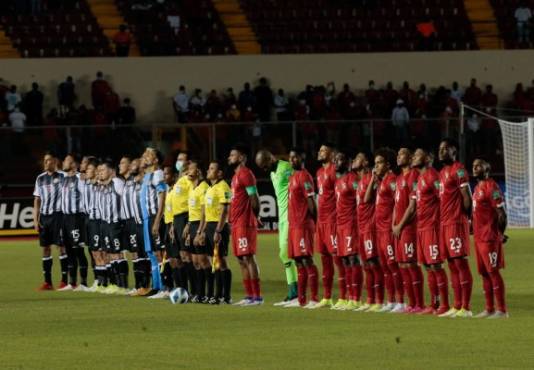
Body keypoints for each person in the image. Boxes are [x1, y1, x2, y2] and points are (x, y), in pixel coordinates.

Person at [255, 149, 298, 306]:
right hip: (281, 217)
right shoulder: (272, 173)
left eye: (265, 164)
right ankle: (293, 293)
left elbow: (298, 184)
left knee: (286, 253)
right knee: (285, 255)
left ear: (271, 157)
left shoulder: (286, 167)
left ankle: (297, 293)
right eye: (261, 167)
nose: (264, 168)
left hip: (290, 217)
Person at [437, 138, 473, 318]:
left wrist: (468, 219)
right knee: (451, 264)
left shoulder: (458, 169)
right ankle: (457, 305)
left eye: (446, 148)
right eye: (440, 149)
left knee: (460, 263)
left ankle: (465, 307)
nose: (442, 151)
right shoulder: (443, 172)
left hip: (456, 222)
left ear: (454, 151)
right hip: (445, 224)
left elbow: (467, 197)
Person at [412, 148, 450, 315]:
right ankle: (434, 303)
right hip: (421, 228)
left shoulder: (433, 176)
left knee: (436, 265)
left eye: (418, 154)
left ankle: (445, 305)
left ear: (427, 158)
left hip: (432, 228)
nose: (414, 157)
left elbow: (442, 198)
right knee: (428, 267)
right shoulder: (420, 178)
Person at [471, 158, 508, 319]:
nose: (475, 168)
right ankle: (489, 308)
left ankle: (502, 310)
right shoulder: (478, 187)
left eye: (478, 165)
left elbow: (501, 213)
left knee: (493, 272)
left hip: (489, 238)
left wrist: (500, 233)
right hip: (479, 238)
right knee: (484, 273)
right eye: (473, 166)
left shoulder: (491, 187)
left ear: (487, 168)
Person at [282, 148, 319, 308]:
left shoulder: (305, 176)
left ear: (301, 158)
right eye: (290, 158)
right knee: (297, 261)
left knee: (306, 259)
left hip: (303, 225)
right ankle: (301, 299)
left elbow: (311, 203)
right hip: (293, 225)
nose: (292, 160)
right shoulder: (292, 177)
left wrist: (314, 223)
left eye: (295, 157)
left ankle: (314, 298)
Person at [370, 148, 405, 313]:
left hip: (388, 231)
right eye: (375, 163)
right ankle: (390, 301)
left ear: (388, 164)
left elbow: (397, 204)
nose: (375, 166)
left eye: (379, 163)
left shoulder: (392, 180)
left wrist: (393, 224)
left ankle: (401, 302)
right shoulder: (382, 180)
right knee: (385, 267)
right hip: (379, 230)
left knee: (393, 266)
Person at [228, 144, 263, 305]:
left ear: (241, 157)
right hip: (236, 224)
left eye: (233, 154)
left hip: (244, 223)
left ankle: (257, 296)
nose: (230, 157)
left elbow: (254, 199)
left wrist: (256, 216)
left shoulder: (245, 174)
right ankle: (249, 296)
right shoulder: (235, 177)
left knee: (248, 257)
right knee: (241, 259)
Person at [392, 148, 424, 313]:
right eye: (398, 154)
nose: (399, 156)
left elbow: (414, 207)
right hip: (398, 228)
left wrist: (400, 225)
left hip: (409, 228)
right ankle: (410, 304)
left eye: (402, 153)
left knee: (411, 263)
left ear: (410, 158)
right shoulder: (398, 178)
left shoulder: (414, 176)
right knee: (403, 264)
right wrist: (393, 224)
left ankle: (419, 304)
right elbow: (396, 206)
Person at [310, 143, 342, 309]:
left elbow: (340, 195)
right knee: (325, 260)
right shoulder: (319, 172)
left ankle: (346, 297)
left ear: (331, 154)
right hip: (321, 223)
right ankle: (327, 297)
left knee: (338, 259)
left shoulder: (334, 171)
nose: (320, 152)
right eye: (319, 150)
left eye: (323, 150)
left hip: (332, 221)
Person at [352, 152, 384, 312]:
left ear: (365, 162)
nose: (354, 160)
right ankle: (370, 300)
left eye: (358, 158)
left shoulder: (373, 179)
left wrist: (372, 177)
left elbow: (367, 199)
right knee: (365, 264)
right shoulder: (360, 181)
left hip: (371, 227)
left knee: (374, 264)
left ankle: (379, 300)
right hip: (361, 227)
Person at [198, 160, 233, 304]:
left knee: (220, 261)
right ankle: (218, 295)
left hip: (220, 226)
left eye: (212, 168)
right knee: (215, 261)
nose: (208, 170)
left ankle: (224, 296)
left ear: (219, 173)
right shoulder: (210, 188)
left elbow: (225, 210)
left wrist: (218, 230)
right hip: (210, 227)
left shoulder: (223, 186)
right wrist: (202, 231)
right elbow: (206, 212)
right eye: (209, 167)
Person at [333, 148, 363, 310]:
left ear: (348, 162)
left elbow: (361, 201)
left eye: (340, 160)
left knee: (353, 259)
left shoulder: (352, 179)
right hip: (340, 226)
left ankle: (356, 298)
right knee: (344, 260)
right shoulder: (338, 181)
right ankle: (347, 298)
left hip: (351, 224)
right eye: (335, 160)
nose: (336, 162)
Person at [33, 153, 68, 291]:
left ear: (55, 162)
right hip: (44, 218)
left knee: (61, 247)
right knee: (45, 248)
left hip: (58, 216)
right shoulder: (40, 178)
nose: (47, 163)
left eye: (50, 160)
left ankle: (64, 281)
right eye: (45, 160)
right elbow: (37, 200)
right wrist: (35, 220)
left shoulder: (62, 176)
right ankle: (48, 282)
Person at [58, 153, 89, 291]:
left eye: (66, 160)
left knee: (78, 250)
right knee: (68, 250)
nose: (64, 162)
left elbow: (86, 198)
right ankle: (72, 282)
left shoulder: (79, 178)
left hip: (76, 218)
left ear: (74, 164)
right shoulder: (63, 179)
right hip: (65, 218)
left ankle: (83, 282)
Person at [120, 158, 151, 296]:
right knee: (134, 254)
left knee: (144, 254)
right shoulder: (127, 183)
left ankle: (146, 285)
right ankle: (139, 285)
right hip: (130, 223)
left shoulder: (141, 181)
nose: (132, 166)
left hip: (141, 222)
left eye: (133, 163)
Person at [140, 148, 167, 295]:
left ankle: (164, 287)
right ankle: (156, 287)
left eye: (149, 154)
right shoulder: (147, 176)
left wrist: (157, 220)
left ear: (156, 160)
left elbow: (162, 196)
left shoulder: (157, 174)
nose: (145, 156)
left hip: (154, 217)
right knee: (151, 254)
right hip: (146, 219)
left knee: (159, 253)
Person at [183, 161, 211, 303]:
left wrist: (200, 231)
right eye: (187, 169)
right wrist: (189, 227)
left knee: (203, 260)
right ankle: (199, 293)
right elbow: (193, 211)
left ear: (198, 171)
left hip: (200, 225)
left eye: (191, 168)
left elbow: (204, 213)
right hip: (193, 225)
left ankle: (209, 293)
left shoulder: (204, 187)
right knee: (195, 261)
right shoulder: (192, 188)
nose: (188, 171)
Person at [170, 151, 196, 299]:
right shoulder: (178, 180)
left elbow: (192, 201)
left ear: (188, 162)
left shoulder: (189, 180)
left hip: (186, 217)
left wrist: (189, 223)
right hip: (177, 219)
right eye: (178, 159)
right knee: (180, 256)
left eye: (182, 159)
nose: (179, 162)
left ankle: (195, 290)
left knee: (188, 256)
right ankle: (183, 290)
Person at [99, 160, 126, 294]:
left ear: (111, 170)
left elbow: (125, 200)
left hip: (116, 223)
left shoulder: (117, 183)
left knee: (118, 253)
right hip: (106, 223)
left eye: (103, 170)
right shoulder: (105, 185)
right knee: (109, 253)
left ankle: (123, 285)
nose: (101, 173)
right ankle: (114, 282)